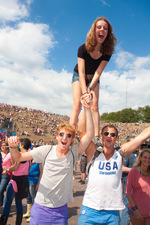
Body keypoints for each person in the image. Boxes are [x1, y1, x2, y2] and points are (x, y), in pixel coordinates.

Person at [8, 97, 94, 225]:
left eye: (69, 136)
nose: (65, 138)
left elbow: (90, 134)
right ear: (56, 136)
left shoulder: (73, 153)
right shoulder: (46, 150)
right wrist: (13, 147)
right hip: (41, 208)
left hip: (60, 211)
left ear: (71, 140)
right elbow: (18, 158)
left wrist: (87, 109)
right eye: (62, 134)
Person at [78, 124, 150, 225]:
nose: (109, 136)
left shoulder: (120, 153)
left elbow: (142, 136)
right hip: (90, 210)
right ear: (102, 136)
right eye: (106, 133)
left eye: (112, 134)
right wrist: (86, 108)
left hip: (112, 212)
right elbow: (82, 131)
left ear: (117, 138)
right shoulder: (94, 153)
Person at [70, 16, 117, 143]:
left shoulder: (108, 51)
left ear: (108, 33)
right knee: (77, 105)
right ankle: (69, 135)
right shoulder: (83, 48)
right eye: (99, 27)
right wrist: (85, 92)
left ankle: (96, 138)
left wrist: (90, 88)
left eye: (105, 28)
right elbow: (81, 72)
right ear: (94, 30)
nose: (102, 30)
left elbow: (98, 72)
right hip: (79, 76)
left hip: (94, 78)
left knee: (94, 106)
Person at [0, 138, 31, 225]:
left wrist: (7, 169)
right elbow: (29, 168)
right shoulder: (29, 157)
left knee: (7, 203)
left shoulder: (18, 155)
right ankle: (18, 223)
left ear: (22, 145)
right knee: (19, 203)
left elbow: (13, 166)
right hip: (23, 180)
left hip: (15, 180)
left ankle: (3, 222)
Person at [126, 148, 150, 225]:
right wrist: (134, 208)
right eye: (145, 157)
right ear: (140, 158)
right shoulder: (133, 172)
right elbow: (128, 191)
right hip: (136, 211)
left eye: (149, 158)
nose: (147, 160)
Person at [120, 135, 139, 225]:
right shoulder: (128, 154)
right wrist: (134, 170)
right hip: (128, 183)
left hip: (138, 185)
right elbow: (122, 168)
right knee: (127, 206)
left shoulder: (139, 154)